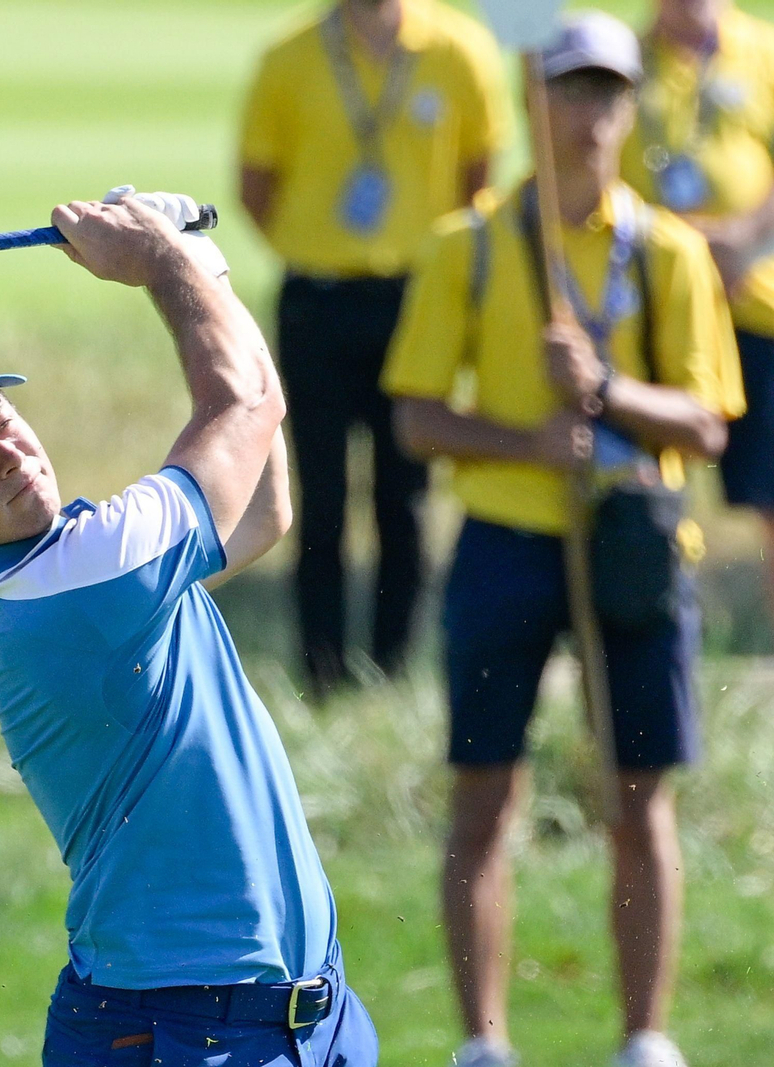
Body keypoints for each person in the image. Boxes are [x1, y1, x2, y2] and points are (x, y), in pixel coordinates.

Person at [0, 191, 377, 1067]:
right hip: (191, 1029)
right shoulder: (76, 585)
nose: (12, 454)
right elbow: (242, 409)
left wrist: (196, 261)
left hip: (286, 1012)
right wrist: (157, 263)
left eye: (1, 419)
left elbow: (266, 501)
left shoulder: (73, 564)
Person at [382, 13, 744, 1067]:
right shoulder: (474, 245)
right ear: (535, 105)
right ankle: (482, 1042)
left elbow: (709, 421)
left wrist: (607, 394)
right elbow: (414, 413)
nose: (587, 117)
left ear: (627, 110)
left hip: (629, 538)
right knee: (484, 789)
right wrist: (528, 437)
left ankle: (643, 1035)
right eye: (568, 93)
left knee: (639, 797)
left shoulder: (667, 251)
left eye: (605, 95)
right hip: (505, 539)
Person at [239, 0, 508, 694]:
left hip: (418, 300)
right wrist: (325, 253)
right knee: (318, 498)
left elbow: (478, 180)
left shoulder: (460, 50)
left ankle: (392, 667)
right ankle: (323, 672)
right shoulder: (289, 53)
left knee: (406, 496)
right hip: (318, 300)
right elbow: (257, 187)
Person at [623, 0, 774, 627]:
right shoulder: (625, 63)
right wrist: (681, 248)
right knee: (650, 475)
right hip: (657, 306)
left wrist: (744, 237)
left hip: (758, 301)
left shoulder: (763, 51)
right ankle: (649, 618)